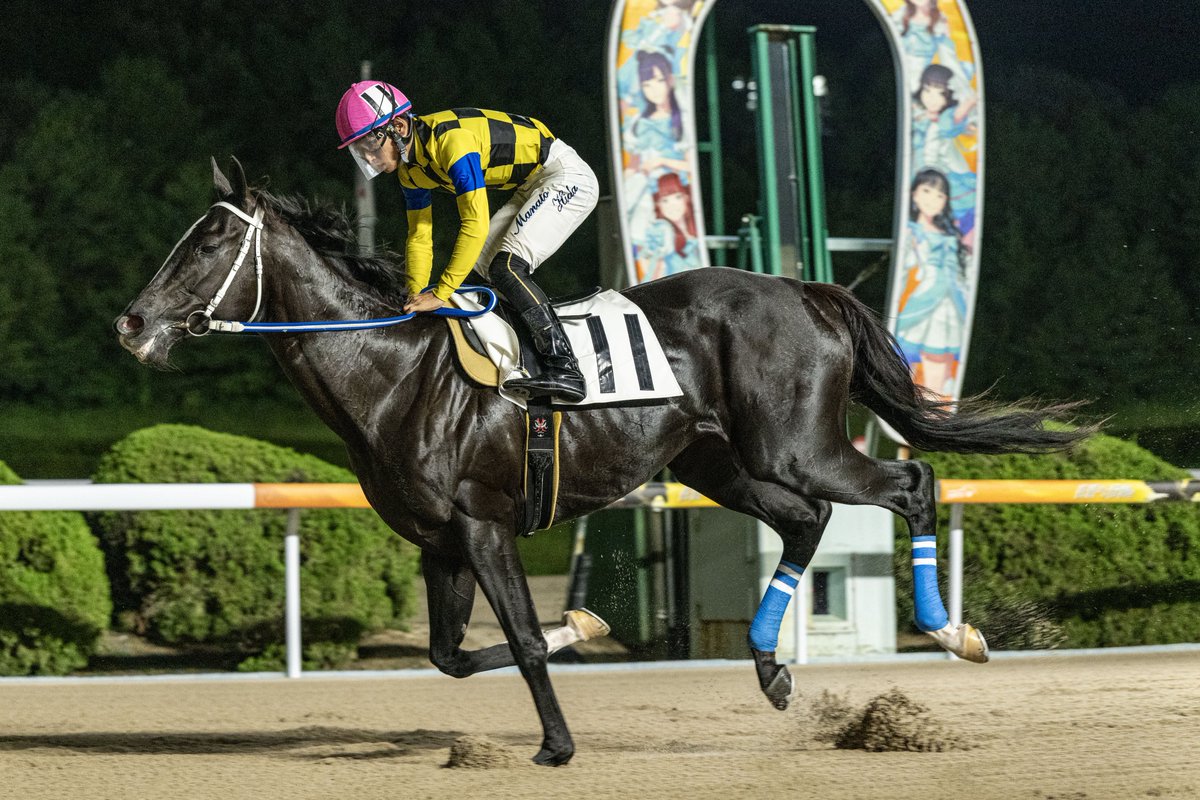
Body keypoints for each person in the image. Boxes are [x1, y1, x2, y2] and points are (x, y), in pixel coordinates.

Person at [334, 80, 598, 402]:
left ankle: (566, 368)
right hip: (531, 185)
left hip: (565, 177)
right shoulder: (409, 172)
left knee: (506, 267)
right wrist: (415, 295)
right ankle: (522, 356)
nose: (370, 160)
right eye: (360, 152)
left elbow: (474, 221)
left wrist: (441, 293)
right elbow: (420, 235)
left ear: (398, 126)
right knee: (478, 268)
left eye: (370, 147)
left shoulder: (452, 142)